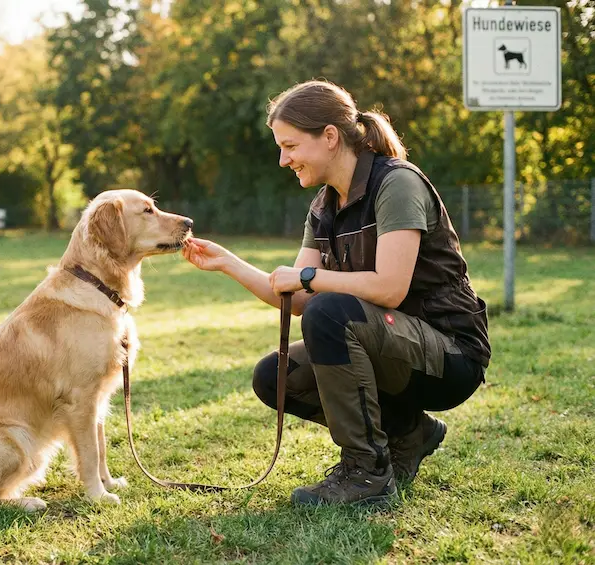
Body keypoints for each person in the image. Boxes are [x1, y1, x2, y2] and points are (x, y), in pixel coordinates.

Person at [181, 80, 490, 506]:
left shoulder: (395, 184)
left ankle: (367, 474)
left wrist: (307, 276)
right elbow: (299, 297)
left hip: (450, 355)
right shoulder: (324, 206)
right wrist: (228, 263)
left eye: (290, 146)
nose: (282, 159)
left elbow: (389, 287)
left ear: (329, 137)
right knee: (275, 377)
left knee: (330, 311)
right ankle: (408, 432)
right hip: (393, 345)